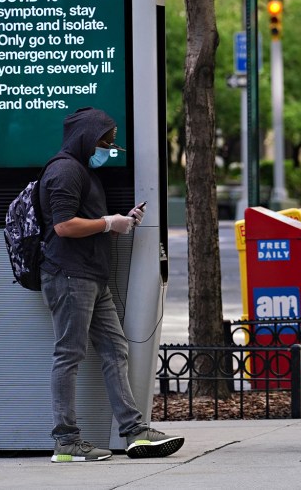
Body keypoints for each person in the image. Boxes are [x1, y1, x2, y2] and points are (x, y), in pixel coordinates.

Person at [37, 107, 185, 463]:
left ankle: (134, 432)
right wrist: (108, 223)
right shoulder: (64, 171)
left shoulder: (80, 170)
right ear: (86, 138)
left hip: (89, 275)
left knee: (115, 349)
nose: (110, 148)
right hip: (70, 275)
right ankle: (66, 442)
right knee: (68, 354)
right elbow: (63, 226)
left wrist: (121, 220)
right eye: (106, 141)